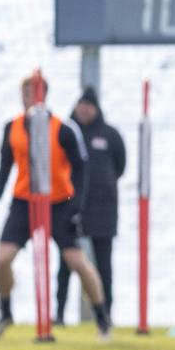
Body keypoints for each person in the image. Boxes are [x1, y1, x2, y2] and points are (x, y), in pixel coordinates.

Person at [0, 74, 111, 340]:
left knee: (76, 261)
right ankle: (5, 312)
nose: (28, 97)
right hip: (23, 200)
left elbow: (81, 167)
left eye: (34, 91)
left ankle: (102, 316)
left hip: (58, 202)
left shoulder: (62, 129)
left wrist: (76, 206)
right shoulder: (13, 127)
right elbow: (5, 167)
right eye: (25, 91)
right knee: (3, 259)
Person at [53, 87, 125, 326]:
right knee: (67, 262)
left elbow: (120, 165)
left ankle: (105, 314)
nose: (84, 109)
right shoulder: (66, 133)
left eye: (88, 105)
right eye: (80, 104)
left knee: (104, 265)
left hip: (103, 210)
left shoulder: (110, 135)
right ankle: (59, 314)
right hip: (71, 207)